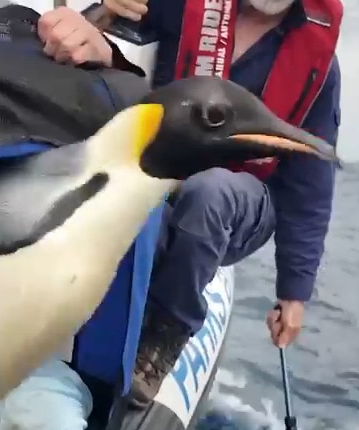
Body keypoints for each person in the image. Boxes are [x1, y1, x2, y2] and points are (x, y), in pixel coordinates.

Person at [64, 0, 343, 407]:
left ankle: (166, 335)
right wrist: (102, 11)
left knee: (210, 192)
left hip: (245, 200)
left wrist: (294, 292)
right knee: (143, 206)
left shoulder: (321, 66)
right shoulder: (182, 6)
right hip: (165, 174)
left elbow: (311, 184)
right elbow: (115, 27)